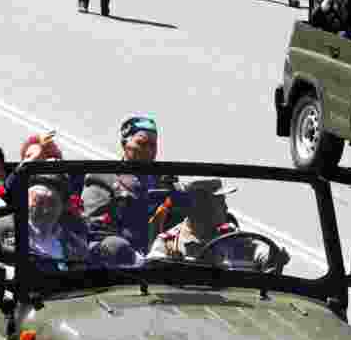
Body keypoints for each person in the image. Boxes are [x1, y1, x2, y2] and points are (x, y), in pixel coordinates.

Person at [81, 116, 177, 263]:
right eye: (141, 143)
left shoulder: (166, 182)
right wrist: (131, 255)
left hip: (162, 257)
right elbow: (96, 230)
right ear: (124, 144)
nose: (148, 150)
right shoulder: (102, 178)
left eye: (153, 145)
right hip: (119, 260)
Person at [146, 179, 279, 270]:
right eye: (219, 202)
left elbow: (256, 250)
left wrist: (270, 256)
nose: (226, 207)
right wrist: (172, 265)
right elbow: (152, 267)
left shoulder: (231, 236)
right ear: (199, 206)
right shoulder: (168, 242)